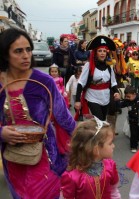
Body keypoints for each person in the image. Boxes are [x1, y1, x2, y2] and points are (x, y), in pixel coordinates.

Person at [0, 28, 76, 198]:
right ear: (5, 55)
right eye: (18, 51)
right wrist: (2, 133)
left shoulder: (43, 82)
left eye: (28, 49)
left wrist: (83, 142)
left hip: (45, 158)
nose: (26, 55)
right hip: (13, 159)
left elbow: (64, 118)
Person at [61, 117, 121, 198]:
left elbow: (114, 191)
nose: (113, 146)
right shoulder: (72, 177)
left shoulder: (111, 166)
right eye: (110, 143)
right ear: (96, 149)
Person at [74, 35, 121, 121]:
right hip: (92, 97)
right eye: (100, 51)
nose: (102, 53)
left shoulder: (109, 67)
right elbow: (81, 83)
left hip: (105, 97)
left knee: (102, 120)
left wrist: (116, 92)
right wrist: (77, 100)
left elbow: (113, 83)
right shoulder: (88, 66)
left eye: (104, 51)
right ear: (95, 53)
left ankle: (96, 134)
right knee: (99, 121)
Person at [117, 85, 139, 152]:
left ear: (134, 94)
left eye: (129, 96)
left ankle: (135, 140)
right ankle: (133, 146)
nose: (127, 98)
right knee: (133, 133)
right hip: (132, 120)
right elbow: (120, 105)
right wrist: (117, 100)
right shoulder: (127, 101)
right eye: (126, 96)